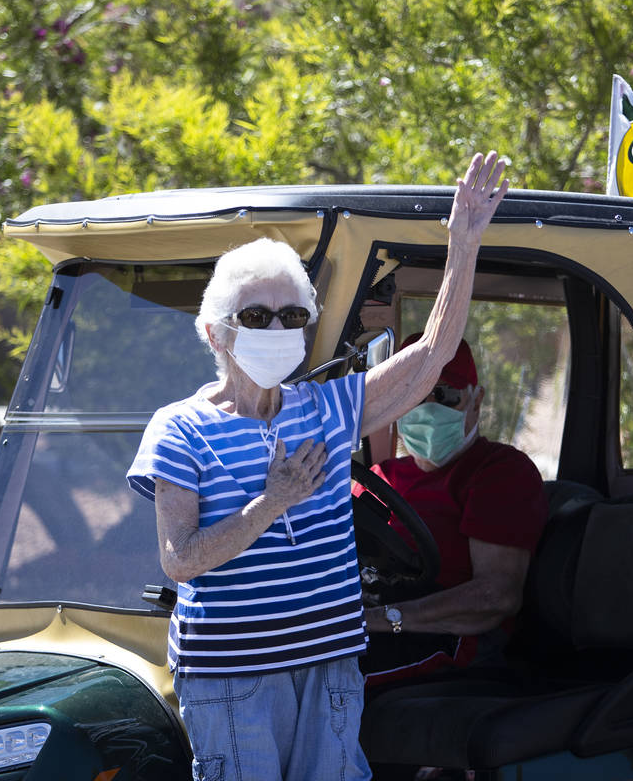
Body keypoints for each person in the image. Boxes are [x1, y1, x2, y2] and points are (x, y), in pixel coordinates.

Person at [126, 151, 508, 781]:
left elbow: (434, 353)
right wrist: (271, 503)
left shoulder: (329, 406)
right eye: (255, 316)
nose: (276, 328)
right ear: (214, 332)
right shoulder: (180, 428)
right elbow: (180, 559)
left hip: (330, 666)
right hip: (232, 678)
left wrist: (462, 243)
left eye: (291, 315)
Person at [360, 336, 548, 686]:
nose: (428, 405)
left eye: (445, 395)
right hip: (372, 617)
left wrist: (378, 619)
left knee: (319, 674)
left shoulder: (499, 471)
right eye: (415, 393)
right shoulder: (379, 478)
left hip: (449, 641)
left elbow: (496, 596)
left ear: (476, 401)